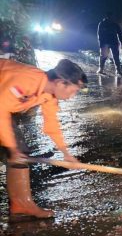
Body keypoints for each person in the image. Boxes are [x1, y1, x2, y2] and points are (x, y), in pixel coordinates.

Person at [0, 58, 87, 220]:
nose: (72, 96)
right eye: (74, 91)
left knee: (20, 152)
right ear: (61, 83)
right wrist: (12, 148)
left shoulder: (49, 93)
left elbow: (51, 124)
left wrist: (66, 154)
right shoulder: (26, 79)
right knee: (16, 148)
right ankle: (22, 204)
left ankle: (21, 205)